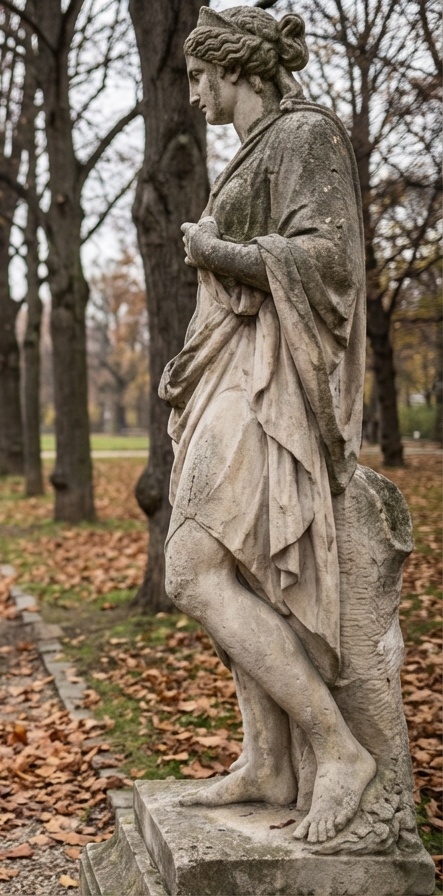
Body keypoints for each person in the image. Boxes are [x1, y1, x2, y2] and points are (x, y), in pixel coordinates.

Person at [161, 7, 374, 845]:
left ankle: (339, 749)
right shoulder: (255, 149)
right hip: (232, 367)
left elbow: (329, 259)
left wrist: (217, 252)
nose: (191, 94)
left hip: (269, 382)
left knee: (190, 569)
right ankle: (268, 762)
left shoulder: (306, 135)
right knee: (236, 573)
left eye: (198, 77)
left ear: (237, 69)